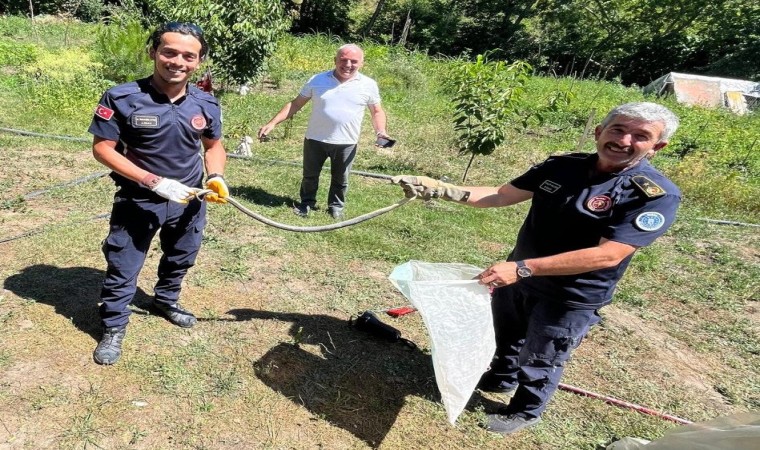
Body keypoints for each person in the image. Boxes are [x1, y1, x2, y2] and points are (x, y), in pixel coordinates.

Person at [392, 102, 681, 434]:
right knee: (506, 334)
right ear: (599, 132)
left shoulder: (654, 195)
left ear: (657, 147)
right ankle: (500, 378)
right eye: (618, 129)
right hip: (519, 275)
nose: (624, 140)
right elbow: (501, 195)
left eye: (640, 136)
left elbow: (609, 254)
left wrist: (522, 268)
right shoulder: (562, 166)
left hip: (570, 295)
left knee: (542, 355)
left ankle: (525, 410)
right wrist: (441, 189)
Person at [87, 22, 229, 365]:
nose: (177, 61)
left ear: (198, 61)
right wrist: (153, 181)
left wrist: (217, 176)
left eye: (188, 55)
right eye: (169, 52)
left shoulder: (206, 103)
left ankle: (165, 300)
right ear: (154, 53)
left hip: (189, 199)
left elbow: (214, 146)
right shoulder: (122, 97)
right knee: (124, 265)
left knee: (182, 256)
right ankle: (114, 326)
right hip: (140, 200)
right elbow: (103, 149)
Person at [258, 44, 392, 220]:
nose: (348, 65)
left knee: (341, 179)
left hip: (346, 142)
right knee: (310, 176)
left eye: (354, 61)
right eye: (343, 60)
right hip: (315, 139)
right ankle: (306, 203)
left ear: (362, 63)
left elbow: (377, 111)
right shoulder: (317, 80)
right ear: (335, 60)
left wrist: (381, 131)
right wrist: (273, 122)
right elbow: (296, 103)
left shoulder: (368, 85)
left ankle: (336, 207)